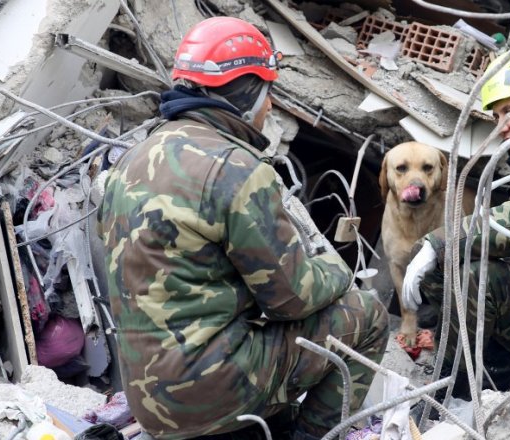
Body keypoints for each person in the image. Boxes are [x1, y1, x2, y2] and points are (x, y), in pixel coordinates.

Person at [98, 17, 388, 440]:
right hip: (209, 395)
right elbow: (292, 298)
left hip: (149, 400)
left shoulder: (134, 157)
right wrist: (337, 269)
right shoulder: (235, 169)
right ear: (248, 89)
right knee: (370, 314)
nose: (269, 107)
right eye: (268, 92)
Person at [401, 47, 510, 391]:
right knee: (445, 264)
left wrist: (439, 242)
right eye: (497, 116)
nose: (501, 127)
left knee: (473, 275)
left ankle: (453, 390)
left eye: (509, 112)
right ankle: (480, 359)